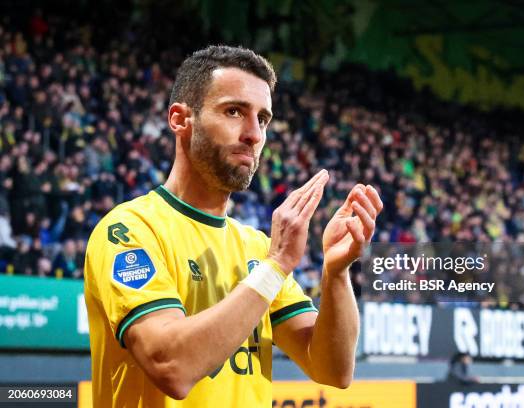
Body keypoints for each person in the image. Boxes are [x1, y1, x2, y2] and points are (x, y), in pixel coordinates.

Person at [84, 45, 383, 407]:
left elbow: (333, 370)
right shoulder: (130, 229)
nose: (254, 134)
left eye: (263, 119)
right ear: (180, 119)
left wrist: (335, 273)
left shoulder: (257, 247)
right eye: (234, 111)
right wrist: (275, 268)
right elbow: (171, 367)